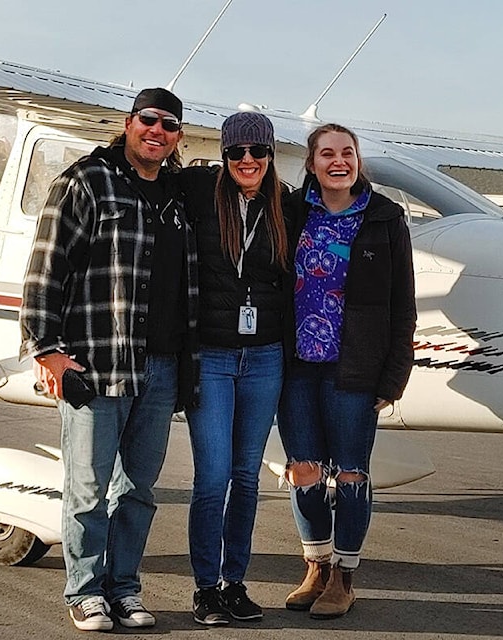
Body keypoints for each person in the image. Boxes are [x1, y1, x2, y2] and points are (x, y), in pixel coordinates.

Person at [19, 87, 198, 632]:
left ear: (177, 137)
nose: (157, 131)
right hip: (98, 362)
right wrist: (48, 352)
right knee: (88, 487)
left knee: (138, 490)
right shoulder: (85, 180)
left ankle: (124, 589)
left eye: (169, 125)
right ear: (128, 123)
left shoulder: (178, 194)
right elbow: (46, 270)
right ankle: (85, 592)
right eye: (148, 120)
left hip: (162, 367)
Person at [278, 123, 416, 619]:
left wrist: (394, 374)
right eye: (328, 153)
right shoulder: (292, 212)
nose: (340, 161)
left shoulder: (385, 219)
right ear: (312, 163)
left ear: (358, 161)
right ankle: (315, 565)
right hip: (296, 366)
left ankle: (344, 577)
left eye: (348, 153)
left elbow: (403, 304)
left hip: (354, 367)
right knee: (305, 472)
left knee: (352, 475)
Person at [180, 111, 288, 625]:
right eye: (236, 153)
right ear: (223, 157)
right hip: (214, 356)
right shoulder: (201, 194)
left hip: (265, 356)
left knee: (246, 476)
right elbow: (145, 170)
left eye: (257, 152)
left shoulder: (288, 208)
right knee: (213, 475)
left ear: (270, 156)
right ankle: (205, 587)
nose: (247, 161)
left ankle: (235, 582)